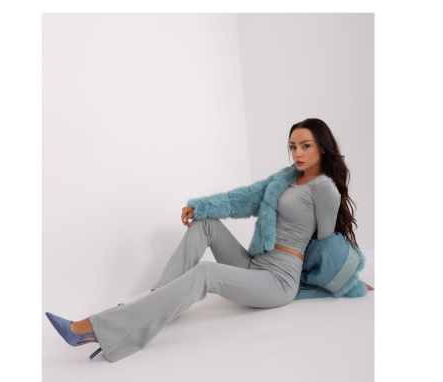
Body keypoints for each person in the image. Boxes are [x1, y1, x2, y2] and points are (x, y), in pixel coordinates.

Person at [45, 118, 373, 363]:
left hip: (279, 279)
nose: (297, 153)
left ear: (322, 147)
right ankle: (155, 300)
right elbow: (245, 198)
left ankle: (93, 329)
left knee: (205, 272)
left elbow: (327, 245)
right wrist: (200, 207)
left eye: (305, 146)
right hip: (255, 263)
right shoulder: (284, 179)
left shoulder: (324, 189)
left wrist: (350, 281)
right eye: (292, 146)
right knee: (205, 224)